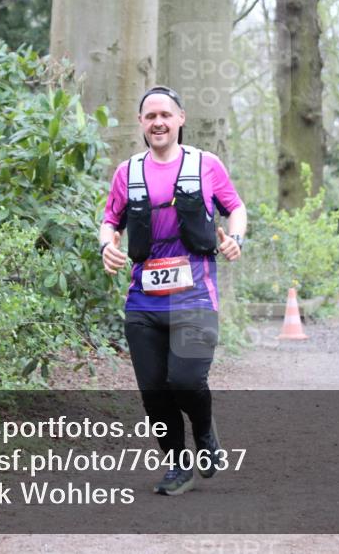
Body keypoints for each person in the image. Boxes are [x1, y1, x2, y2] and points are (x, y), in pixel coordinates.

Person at [99, 86, 247, 496]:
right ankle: (177, 466)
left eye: (166, 114)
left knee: (185, 379)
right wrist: (106, 246)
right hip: (143, 301)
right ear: (141, 124)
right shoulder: (127, 172)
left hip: (195, 297)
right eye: (150, 116)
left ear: (181, 118)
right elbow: (110, 220)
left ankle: (204, 435)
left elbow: (235, 207)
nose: (158, 122)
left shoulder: (206, 165)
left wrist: (236, 238)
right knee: (153, 391)